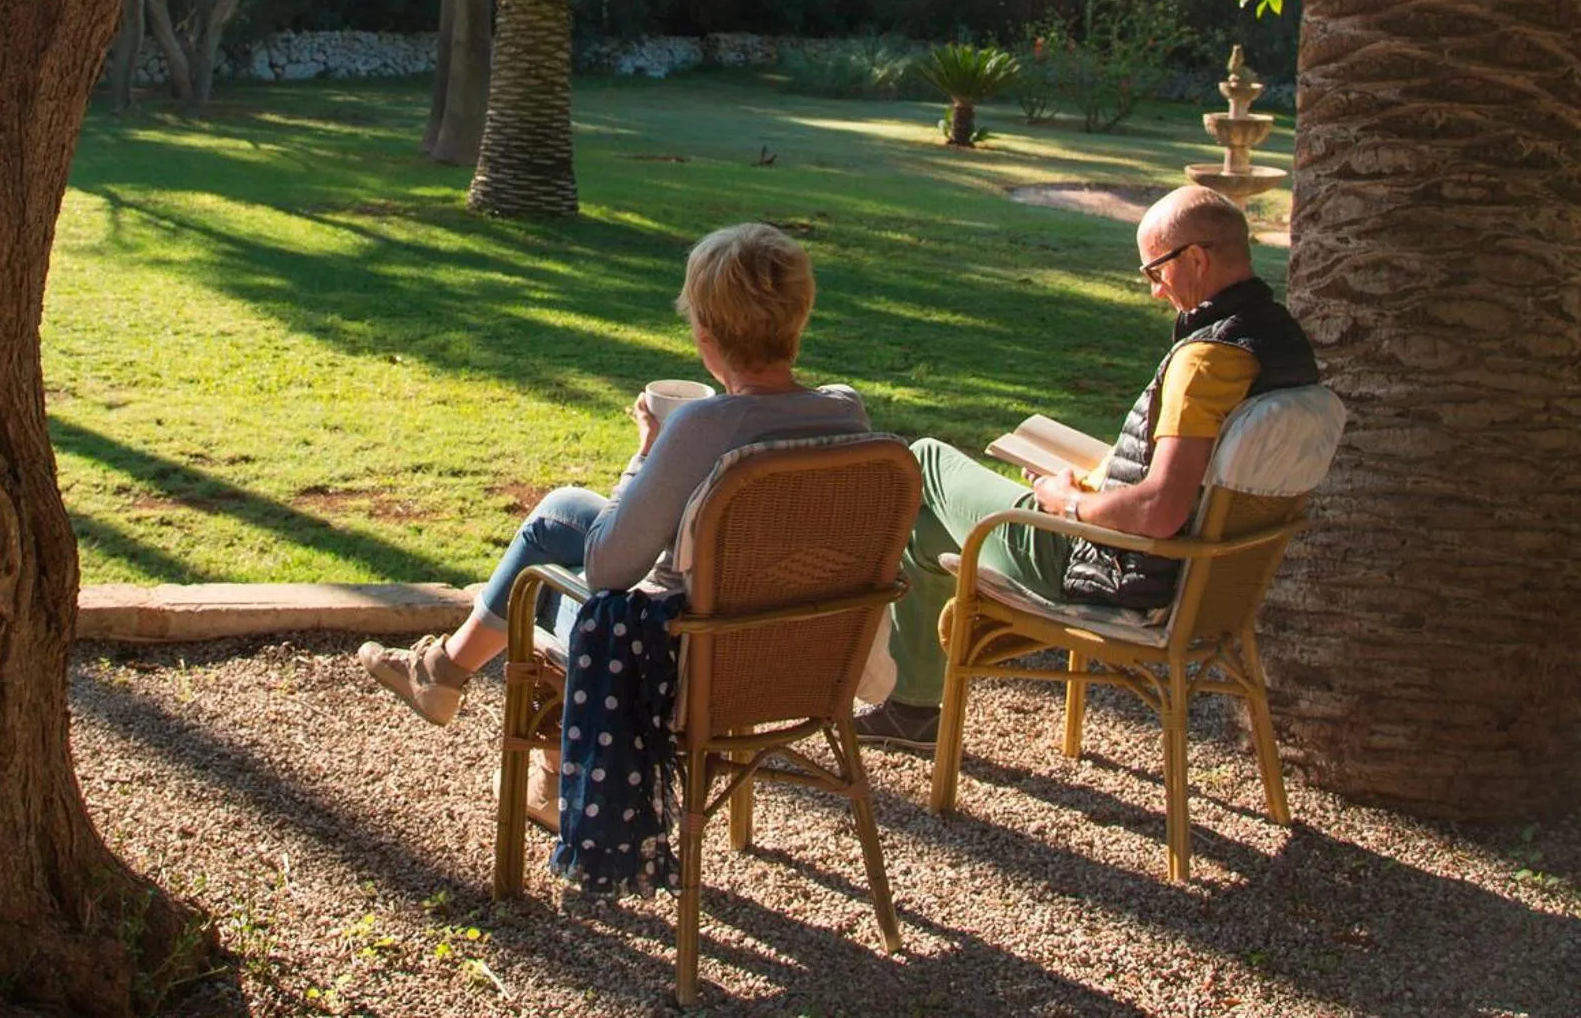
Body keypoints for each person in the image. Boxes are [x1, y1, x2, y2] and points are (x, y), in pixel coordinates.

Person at [854, 185, 1318, 753]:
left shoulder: (1205, 362)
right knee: (925, 530)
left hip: (1111, 568)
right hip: (1195, 577)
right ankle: (911, 711)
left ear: (1196, 259)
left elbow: (1161, 509)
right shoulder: (1279, 340)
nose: (1155, 290)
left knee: (925, 459)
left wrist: (1068, 502)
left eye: (1155, 271)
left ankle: (848, 646)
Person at [357, 222, 870, 729]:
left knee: (537, 584)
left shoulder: (702, 426)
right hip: (806, 653)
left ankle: (456, 684)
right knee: (561, 512)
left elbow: (608, 570)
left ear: (704, 336)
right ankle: (444, 676)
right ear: (800, 317)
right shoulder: (846, 412)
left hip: (679, 662)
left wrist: (647, 452)